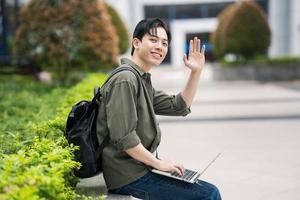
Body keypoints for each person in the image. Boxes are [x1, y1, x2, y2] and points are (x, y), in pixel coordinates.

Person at [96, 18, 221, 200]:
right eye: (153, 40)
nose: (160, 47)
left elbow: (178, 106)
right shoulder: (126, 79)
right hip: (128, 176)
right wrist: (159, 164)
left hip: (139, 169)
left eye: (164, 43)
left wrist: (195, 72)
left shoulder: (140, 79)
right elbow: (124, 138)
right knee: (208, 194)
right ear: (136, 42)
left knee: (205, 190)